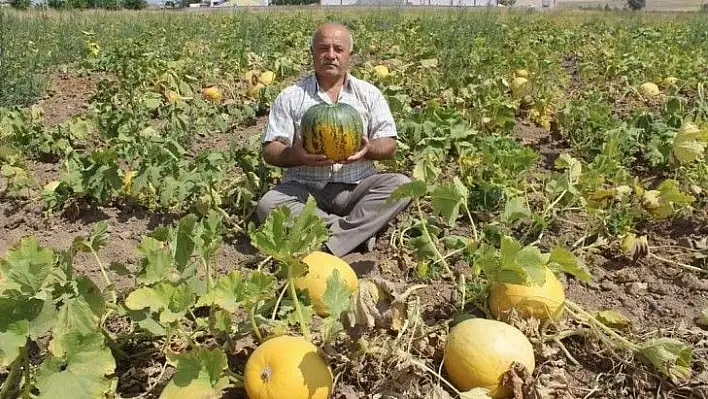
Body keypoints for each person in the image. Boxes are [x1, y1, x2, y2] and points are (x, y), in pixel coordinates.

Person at [255, 22, 412, 258]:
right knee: (268, 205)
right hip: (304, 188)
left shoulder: (369, 94)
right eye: (323, 49)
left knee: (401, 185)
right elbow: (270, 149)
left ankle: (327, 238)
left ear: (350, 55)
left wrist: (368, 149)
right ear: (312, 54)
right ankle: (355, 234)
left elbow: (389, 144)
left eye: (338, 49)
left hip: (356, 186)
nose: (330, 55)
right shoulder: (291, 96)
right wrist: (294, 155)